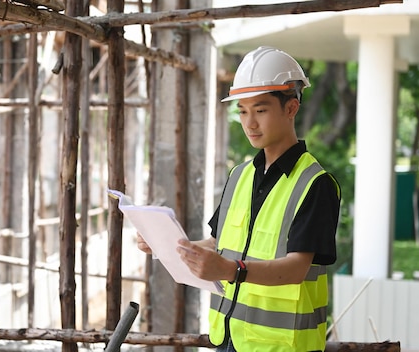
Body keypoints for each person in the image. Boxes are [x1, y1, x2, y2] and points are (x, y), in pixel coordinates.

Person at [137, 46, 341, 351]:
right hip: (231, 341)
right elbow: (218, 246)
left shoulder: (315, 184)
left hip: (282, 346)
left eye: (260, 110)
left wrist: (230, 271)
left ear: (291, 108)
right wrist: (168, 245)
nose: (250, 123)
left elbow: (297, 268)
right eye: (243, 111)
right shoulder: (240, 176)